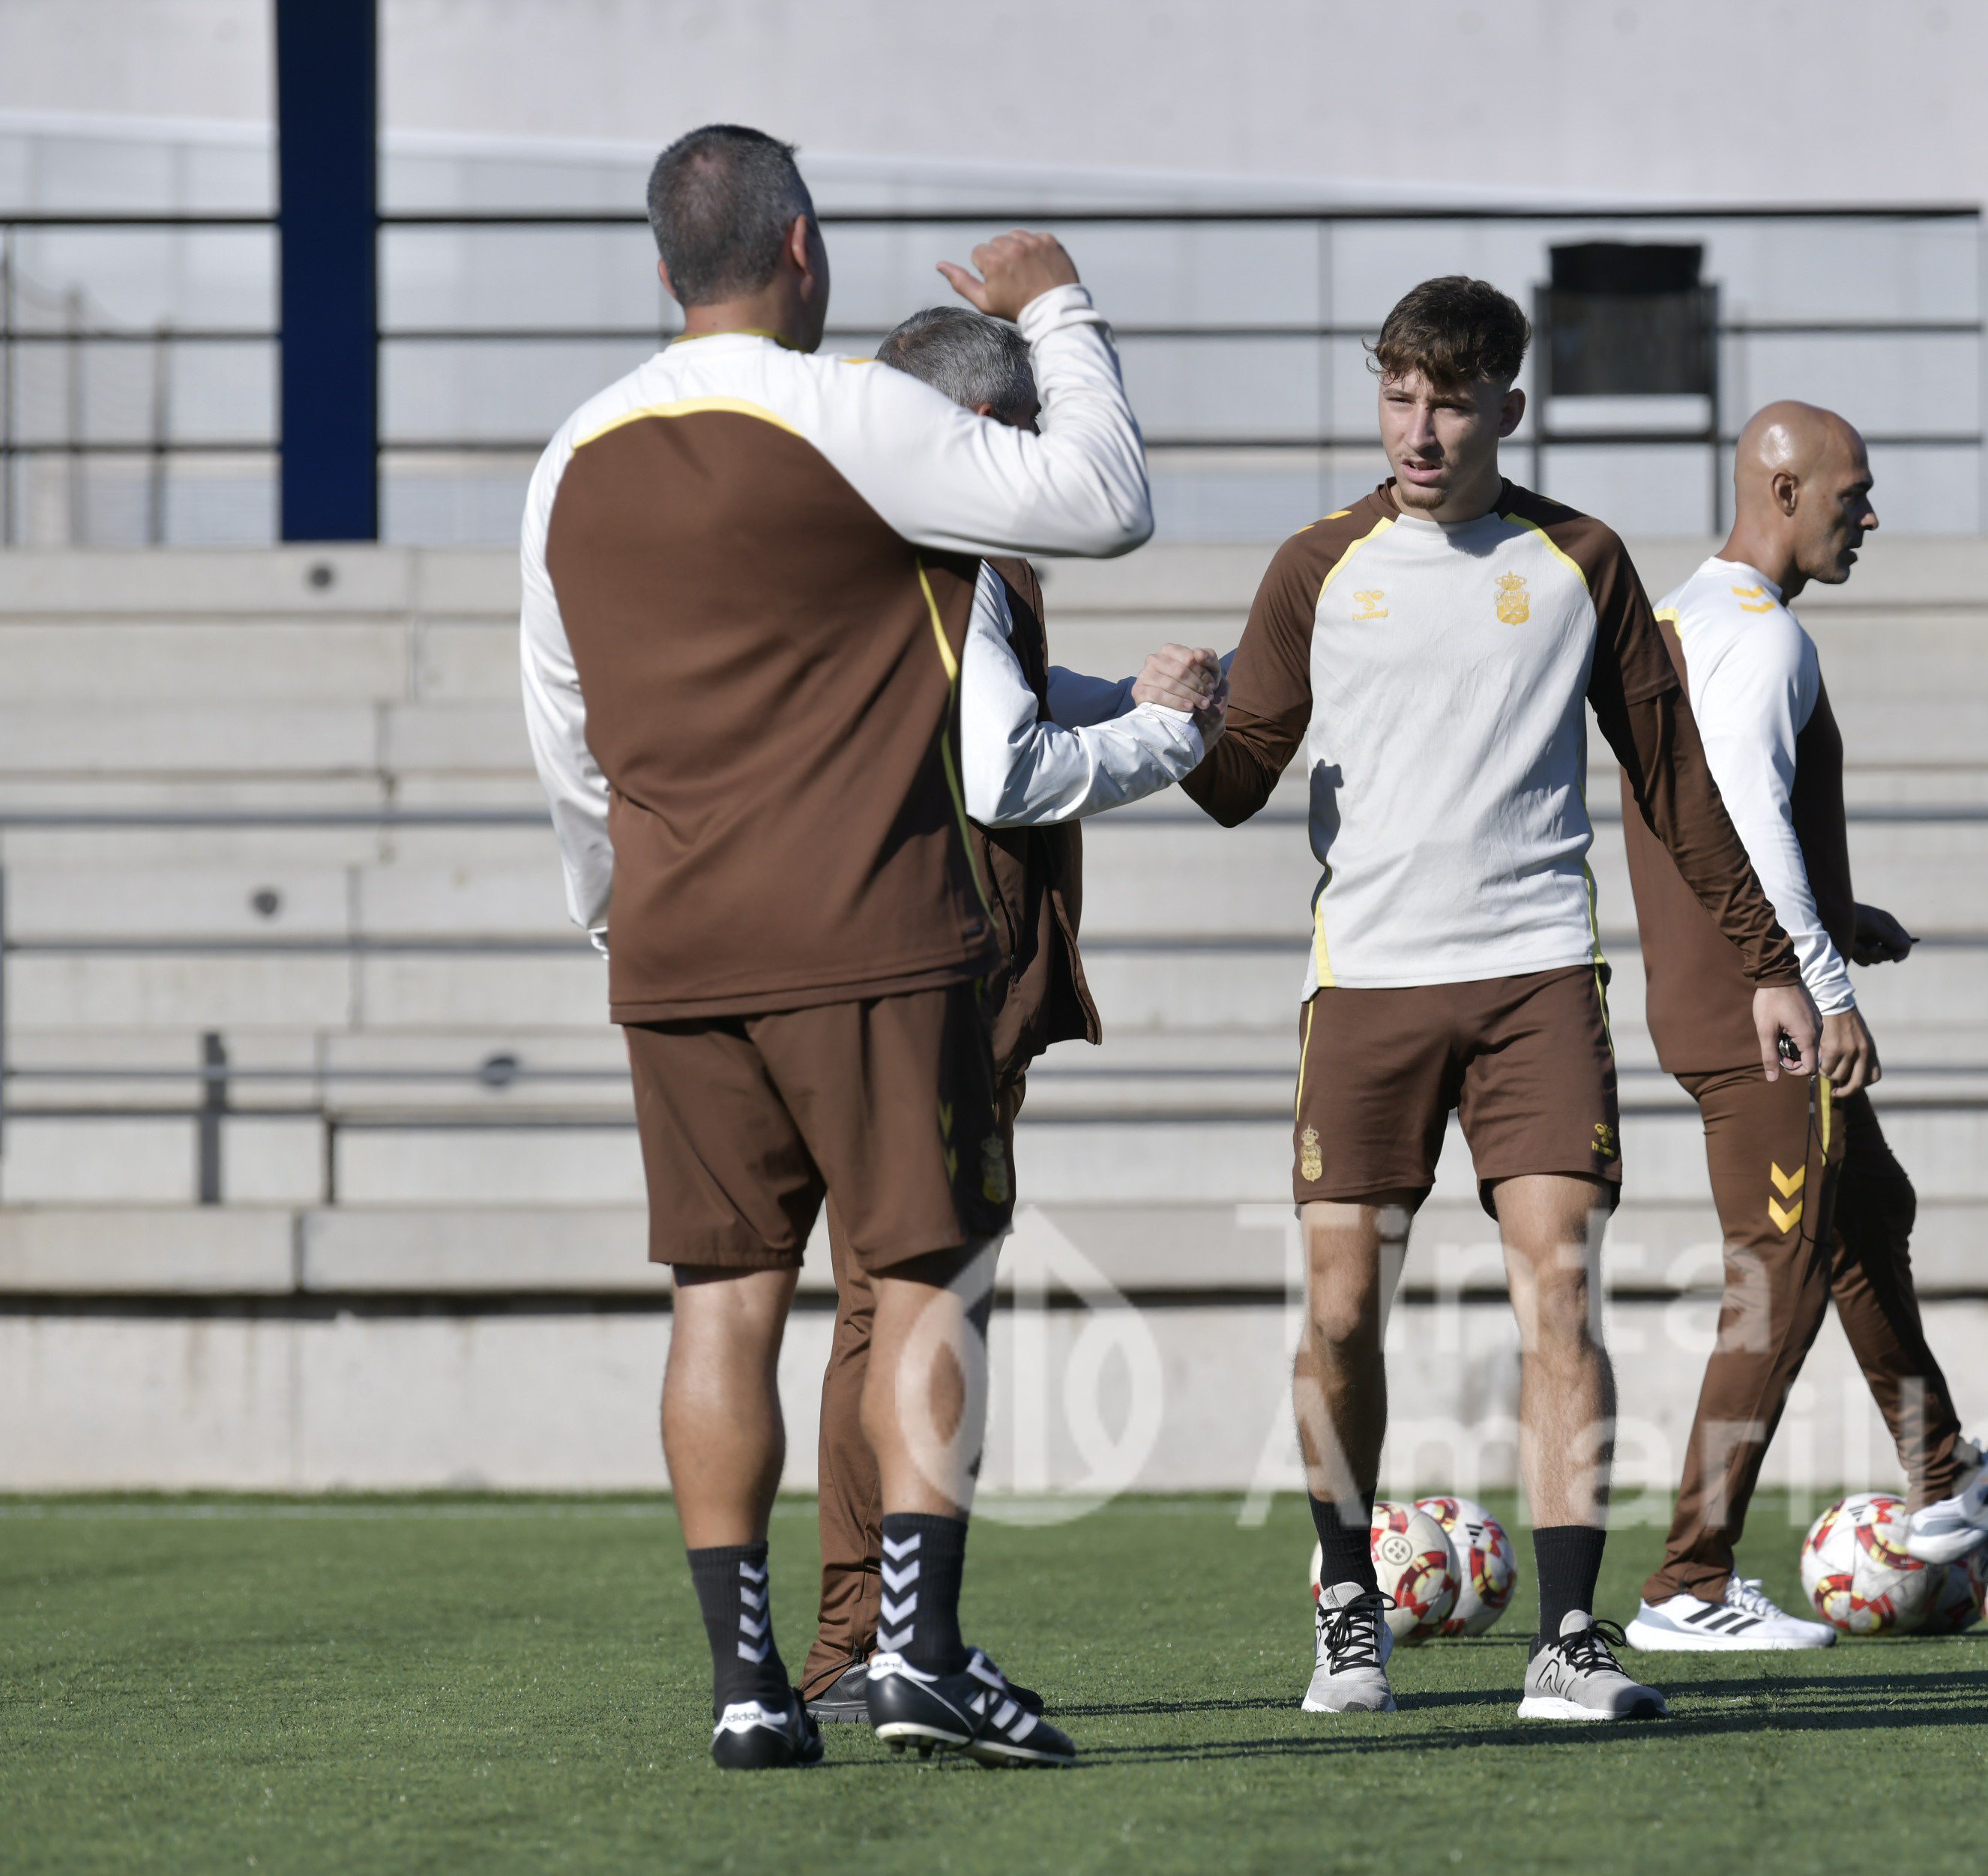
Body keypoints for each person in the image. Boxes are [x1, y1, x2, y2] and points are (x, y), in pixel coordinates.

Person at [518, 125, 1207, 1770]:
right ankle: (918, 1651)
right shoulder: (850, 411)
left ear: (661, 267)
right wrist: (1062, 311)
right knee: (925, 1277)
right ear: (805, 250)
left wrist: (617, 908)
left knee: (722, 1302)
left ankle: (751, 1687)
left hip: (674, 945)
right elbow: (1102, 503)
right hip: (867, 928)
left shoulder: (572, 451)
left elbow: (561, 729)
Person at [1181, 276, 1816, 1722]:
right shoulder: (1314, 566)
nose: (1420, 427)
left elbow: (1676, 787)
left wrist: (1771, 964)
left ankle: (1570, 1640)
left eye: (1450, 400)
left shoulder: (1579, 560)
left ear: (1505, 410)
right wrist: (1177, 718)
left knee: (1560, 1290)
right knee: (1343, 1307)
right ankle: (1348, 1604)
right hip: (1367, 988)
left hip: (1534, 975)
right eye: (1399, 396)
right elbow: (1234, 788)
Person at [798, 304, 1226, 1723]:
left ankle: (856, 1643)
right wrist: (1162, 737)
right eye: (1034, 442)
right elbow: (1003, 770)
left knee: (870, 1305)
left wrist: (1121, 693)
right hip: (936, 971)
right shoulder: (962, 550)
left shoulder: (850, 540)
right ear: (987, 437)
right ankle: (878, 1646)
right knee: (915, 1306)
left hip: (829, 953)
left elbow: (989, 704)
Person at [1615, 402, 1988, 1654]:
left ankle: (1941, 1473)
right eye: (1850, 494)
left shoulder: (1682, 616)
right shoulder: (1757, 639)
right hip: (1754, 1012)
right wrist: (1821, 985)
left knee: (1869, 1212)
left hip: (1709, 986)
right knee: (1780, 1273)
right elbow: (1748, 820)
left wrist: (1836, 910)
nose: (1868, 516)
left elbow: (1699, 819)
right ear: (1780, 488)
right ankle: (1685, 1583)